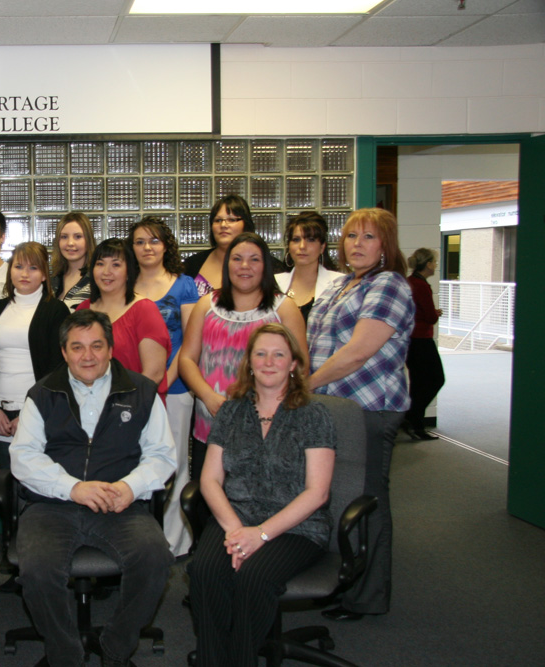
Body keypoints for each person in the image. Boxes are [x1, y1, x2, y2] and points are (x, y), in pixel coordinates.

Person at [10, 310, 176, 667]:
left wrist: (130, 487)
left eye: (97, 346)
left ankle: (116, 645)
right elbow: (23, 457)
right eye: (78, 347)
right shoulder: (42, 393)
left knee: (156, 558)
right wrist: (73, 488)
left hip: (120, 504)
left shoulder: (141, 390)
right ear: (64, 352)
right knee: (37, 570)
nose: (88, 356)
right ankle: (65, 652)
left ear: (111, 349)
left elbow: (162, 456)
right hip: (52, 506)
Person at [188, 323, 336, 667]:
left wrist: (261, 534)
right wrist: (235, 530)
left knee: (254, 578)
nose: (269, 362)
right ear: (249, 363)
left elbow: (318, 492)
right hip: (235, 519)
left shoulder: (314, 415)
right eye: (261, 354)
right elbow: (210, 479)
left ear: (293, 364)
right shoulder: (230, 411)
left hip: (296, 527)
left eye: (279, 354)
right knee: (204, 571)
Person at [307, 208, 415, 621]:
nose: (357, 244)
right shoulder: (345, 284)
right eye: (352, 236)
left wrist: (306, 385)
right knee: (341, 498)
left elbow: (357, 352)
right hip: (337, 409)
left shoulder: (389, 285)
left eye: (369, 237)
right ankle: (343, 583)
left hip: (369, 409)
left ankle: (367, 596)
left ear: (386, 245)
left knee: (367, 501)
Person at [179, 232, 306, 481]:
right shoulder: (207, 304)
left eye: (254, 260)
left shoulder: (284, 308)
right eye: (237, 259)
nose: (245, 266)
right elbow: (187, 360)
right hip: (211, 425)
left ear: (266, 266)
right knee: (206, 505)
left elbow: (300, 366)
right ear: (227, 265)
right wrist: (209, 398)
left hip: (267, 428)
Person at [129, 217, 199, 557]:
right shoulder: (125, 283)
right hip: (132, 390)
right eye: (140, 242)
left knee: (174, 464)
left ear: (166, 246)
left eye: (154, 241)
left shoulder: (184, 285)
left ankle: (172, 543)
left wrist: (164, 380)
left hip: (174, 388)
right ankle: (138, 539)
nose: (147, 248)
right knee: (136, 462)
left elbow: (190, 340)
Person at [0, 242, 69, 469]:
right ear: (10, 271)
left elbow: (57, 369)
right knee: (0, 483)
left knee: (34, 481)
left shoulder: (55, 310)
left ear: (45, 276)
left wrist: (29, 413)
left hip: (37, 410)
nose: (25, 274)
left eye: (33, 268)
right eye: (18, 267)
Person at [76, 238, 171, 396]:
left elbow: (154, 374)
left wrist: (121, 405)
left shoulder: (144, 309)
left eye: (116, 264)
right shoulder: (83, 309)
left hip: (135, 405)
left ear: (129, 271)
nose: (106, 272)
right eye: (100, 264)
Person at [404, 248, 445, 441]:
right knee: (436, 379)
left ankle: (415, 423)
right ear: (428, 264)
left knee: (418, 383)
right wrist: (434, 314)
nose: (436, 265)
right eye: (434, 262)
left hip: (410, 340)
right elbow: (429, 316)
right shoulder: (421, 285)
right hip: (421, 339)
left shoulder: (410, 282)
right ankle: (413, 417)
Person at [275, 211, 344, 323]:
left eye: (311, 240)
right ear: (289, 245)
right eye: (296, 240)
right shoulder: (274, 282)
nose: (302, 246)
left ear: (322, 247)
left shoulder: (339, 284)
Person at [183, 195, 255, 297]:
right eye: (218, 220)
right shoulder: (192, 265)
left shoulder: (267, 265)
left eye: (231, 220)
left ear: (246, 224)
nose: (224, 225)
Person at [50, 212, 96, 309]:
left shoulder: (97, 279)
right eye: (64, 237)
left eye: (78, 236)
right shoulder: (51, 279)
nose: (70, 243)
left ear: (88, 240)